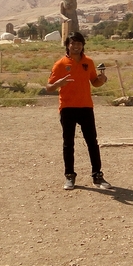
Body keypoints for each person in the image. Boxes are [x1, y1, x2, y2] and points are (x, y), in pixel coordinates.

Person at [46, 31, 110, 190]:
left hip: (86, 107)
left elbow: (95, 82)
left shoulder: (88, 62)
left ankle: (98, 176)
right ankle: (69, 176)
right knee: (68, 143)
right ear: (67, 45)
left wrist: (102, 80)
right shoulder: (60, 64)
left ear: (83, 45)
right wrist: (58, 83)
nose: (76, 46)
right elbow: (48, 87)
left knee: (92, 143)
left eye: (79, 43)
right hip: (67, 108)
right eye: (73, 43)